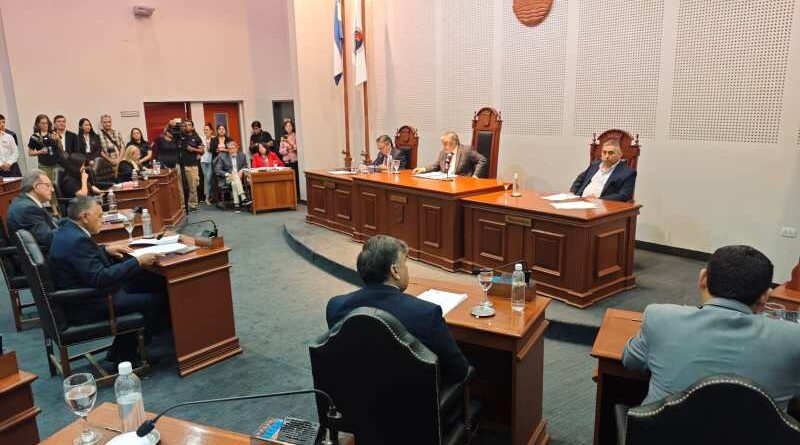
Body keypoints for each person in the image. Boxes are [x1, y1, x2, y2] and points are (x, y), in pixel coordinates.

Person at [623, 245, 800, 411]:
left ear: (703, 278)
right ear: (765, 296)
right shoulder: (794, 339)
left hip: (660, 431)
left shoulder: (659, 317)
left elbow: (631, 361)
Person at [327, 235, 469, 386]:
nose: (406, 269)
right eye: (404, 264)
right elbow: (458, 371)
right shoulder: (426, 313)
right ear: (394, 270)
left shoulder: (336, 306)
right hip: (412, 396)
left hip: (357, 392)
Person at [48, 196, 167, 363]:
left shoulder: (67, 230)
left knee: (145, 282)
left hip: (83, 295)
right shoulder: (78, 240)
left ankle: (119, 351)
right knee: (155, 299)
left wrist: (105, 250)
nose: (102, 220)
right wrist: (138, 261)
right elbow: (101, 278)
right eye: (99, 216)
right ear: (84, 216)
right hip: (89, 303)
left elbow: (84, 259)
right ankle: (128, 356)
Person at [569, 139, 637, 202]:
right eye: (604, 152)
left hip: (603, 205)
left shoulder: (628, 173)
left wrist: (598, 199)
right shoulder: (594, 165)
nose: (606, 156)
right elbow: (579, 180)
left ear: (620, 155)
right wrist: (572, 193)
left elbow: (625, 195)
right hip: (580, 201)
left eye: (611, 153)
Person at [6, 170, 59, 247]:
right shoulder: (28, 209)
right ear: (36, 186)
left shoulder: (25, 201)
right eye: (48, 185)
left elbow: (50, 222)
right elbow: (48, 238)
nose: (52, 190)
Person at [27, 114, 63, 214]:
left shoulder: (53, 133)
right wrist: (40, 151)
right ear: (38, 124)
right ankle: (54, 210)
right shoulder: (34, 137)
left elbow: (61, 148)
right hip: (44, 165)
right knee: (49, 187)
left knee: (58, 186)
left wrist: (58, 139)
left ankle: (62, 207)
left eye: (46, 123)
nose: (45, 125)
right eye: (42, 123)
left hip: (57, 164)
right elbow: (30, 153)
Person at [412, 132, 488, 178]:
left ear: (454, 142)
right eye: (443, 144)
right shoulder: (443, 152)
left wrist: (475, 176)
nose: (443, 146)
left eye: (445, 143)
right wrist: (423, 169)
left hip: (461, 183)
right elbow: (435, 166)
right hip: (445, 181)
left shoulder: (466, 150)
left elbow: (482, 160)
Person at [214, 140, 250, 210]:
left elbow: (245, 166)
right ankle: (242, 196)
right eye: (229, 149)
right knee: (234, 176)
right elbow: (218, 169)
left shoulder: (242, 155)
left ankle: (236, 205)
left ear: (237, 148)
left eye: (233, 148)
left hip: (239, 178)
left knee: (234, 183)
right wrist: (227, 174)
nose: (231, 150)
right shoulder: (223, 157)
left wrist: (241, 170)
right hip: (227, 179)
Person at [180, 121, 204, 211]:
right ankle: (183, 205)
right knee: (182, 187)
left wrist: (193, 149)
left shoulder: (196, 137)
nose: (187, 126)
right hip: (181, 164)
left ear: (193, 127)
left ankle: (192, 204)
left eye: (189, 125)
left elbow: (202, 151)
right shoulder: (181, 137)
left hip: (192, 164)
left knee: (193, 185)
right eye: (185, 125)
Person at [278, 119, 299, 198]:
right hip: (286, 161)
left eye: (290, 126)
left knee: (296, 179)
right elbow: (280, 151)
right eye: (286, 126)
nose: (288, 128)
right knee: (288, 180)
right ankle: (290, 196)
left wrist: (289, 143)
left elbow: (296, 148)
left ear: (293, 127)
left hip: (294, 160)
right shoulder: (283, 137)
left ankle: (297, 196)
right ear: (284, 128)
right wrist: (286, 149)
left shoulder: (296, 135)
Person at [200, 123, 214, 205]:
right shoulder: (201, 138)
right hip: (203, 161)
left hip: (211, 161)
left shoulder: (214, 139)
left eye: (207, 130)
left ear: (211, 131)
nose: (205, 131)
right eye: (204, 130)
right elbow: (199, 148)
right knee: (207, 178)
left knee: (209, 178)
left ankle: (208, 196)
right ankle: (207, 197)